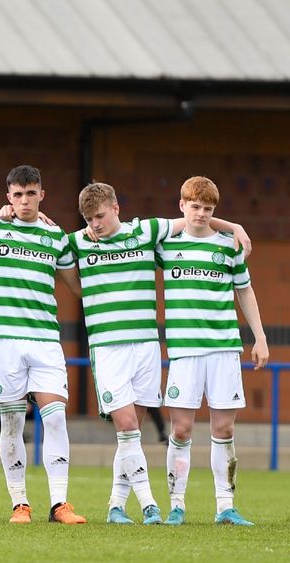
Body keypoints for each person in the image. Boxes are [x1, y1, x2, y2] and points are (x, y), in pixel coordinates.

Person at [67, 181, 250, 525]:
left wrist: (235, 225)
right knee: (126, 426)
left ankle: (115, 506)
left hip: (146, 345)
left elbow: (195, 218)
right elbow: (48, 246)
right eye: (89, 219)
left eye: (101, 216)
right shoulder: (77, 242)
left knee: (131, 428)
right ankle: (150, 504)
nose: (96, 224)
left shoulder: (147, 232)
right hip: (107, 347)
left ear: (116, 208)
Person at [0, 165, 86, 524]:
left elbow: (78, 287)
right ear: (8, 197)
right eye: (17, 195)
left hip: (47, 339)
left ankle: (60, 504)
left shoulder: (57, 237)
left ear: (41, 195)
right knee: (12, 424)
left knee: (55, 418)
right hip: (7, 343)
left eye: (30, 193)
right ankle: (20, 503)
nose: (24, 201)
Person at [157, 176, 268, 526]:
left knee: (223, 431)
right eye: (195, 207)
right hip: (185, 352)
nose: (201, 214)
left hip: (223, 350)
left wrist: (260, 337)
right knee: (181, 431)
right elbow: (133, 232)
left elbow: (245, 292)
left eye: (208, 209)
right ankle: (177, 505)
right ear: (181, 207)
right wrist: (234, 222)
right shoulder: (166, 244)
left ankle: (225, 507)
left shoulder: (228, 247)